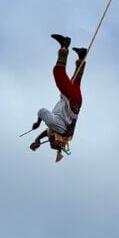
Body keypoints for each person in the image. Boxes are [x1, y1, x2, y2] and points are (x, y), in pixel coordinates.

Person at [30, 34, 87, 162]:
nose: (50, 137)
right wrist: (37, 122)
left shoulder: (61, 131)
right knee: (58, 72)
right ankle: (64, 45)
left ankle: (82, 56)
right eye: (53, 142)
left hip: (74, 102)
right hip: (71, 99)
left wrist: (38, 140)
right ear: (58, 141)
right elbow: (42, 112)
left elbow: (48, 132)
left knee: (76, 79)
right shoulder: (55, 125)